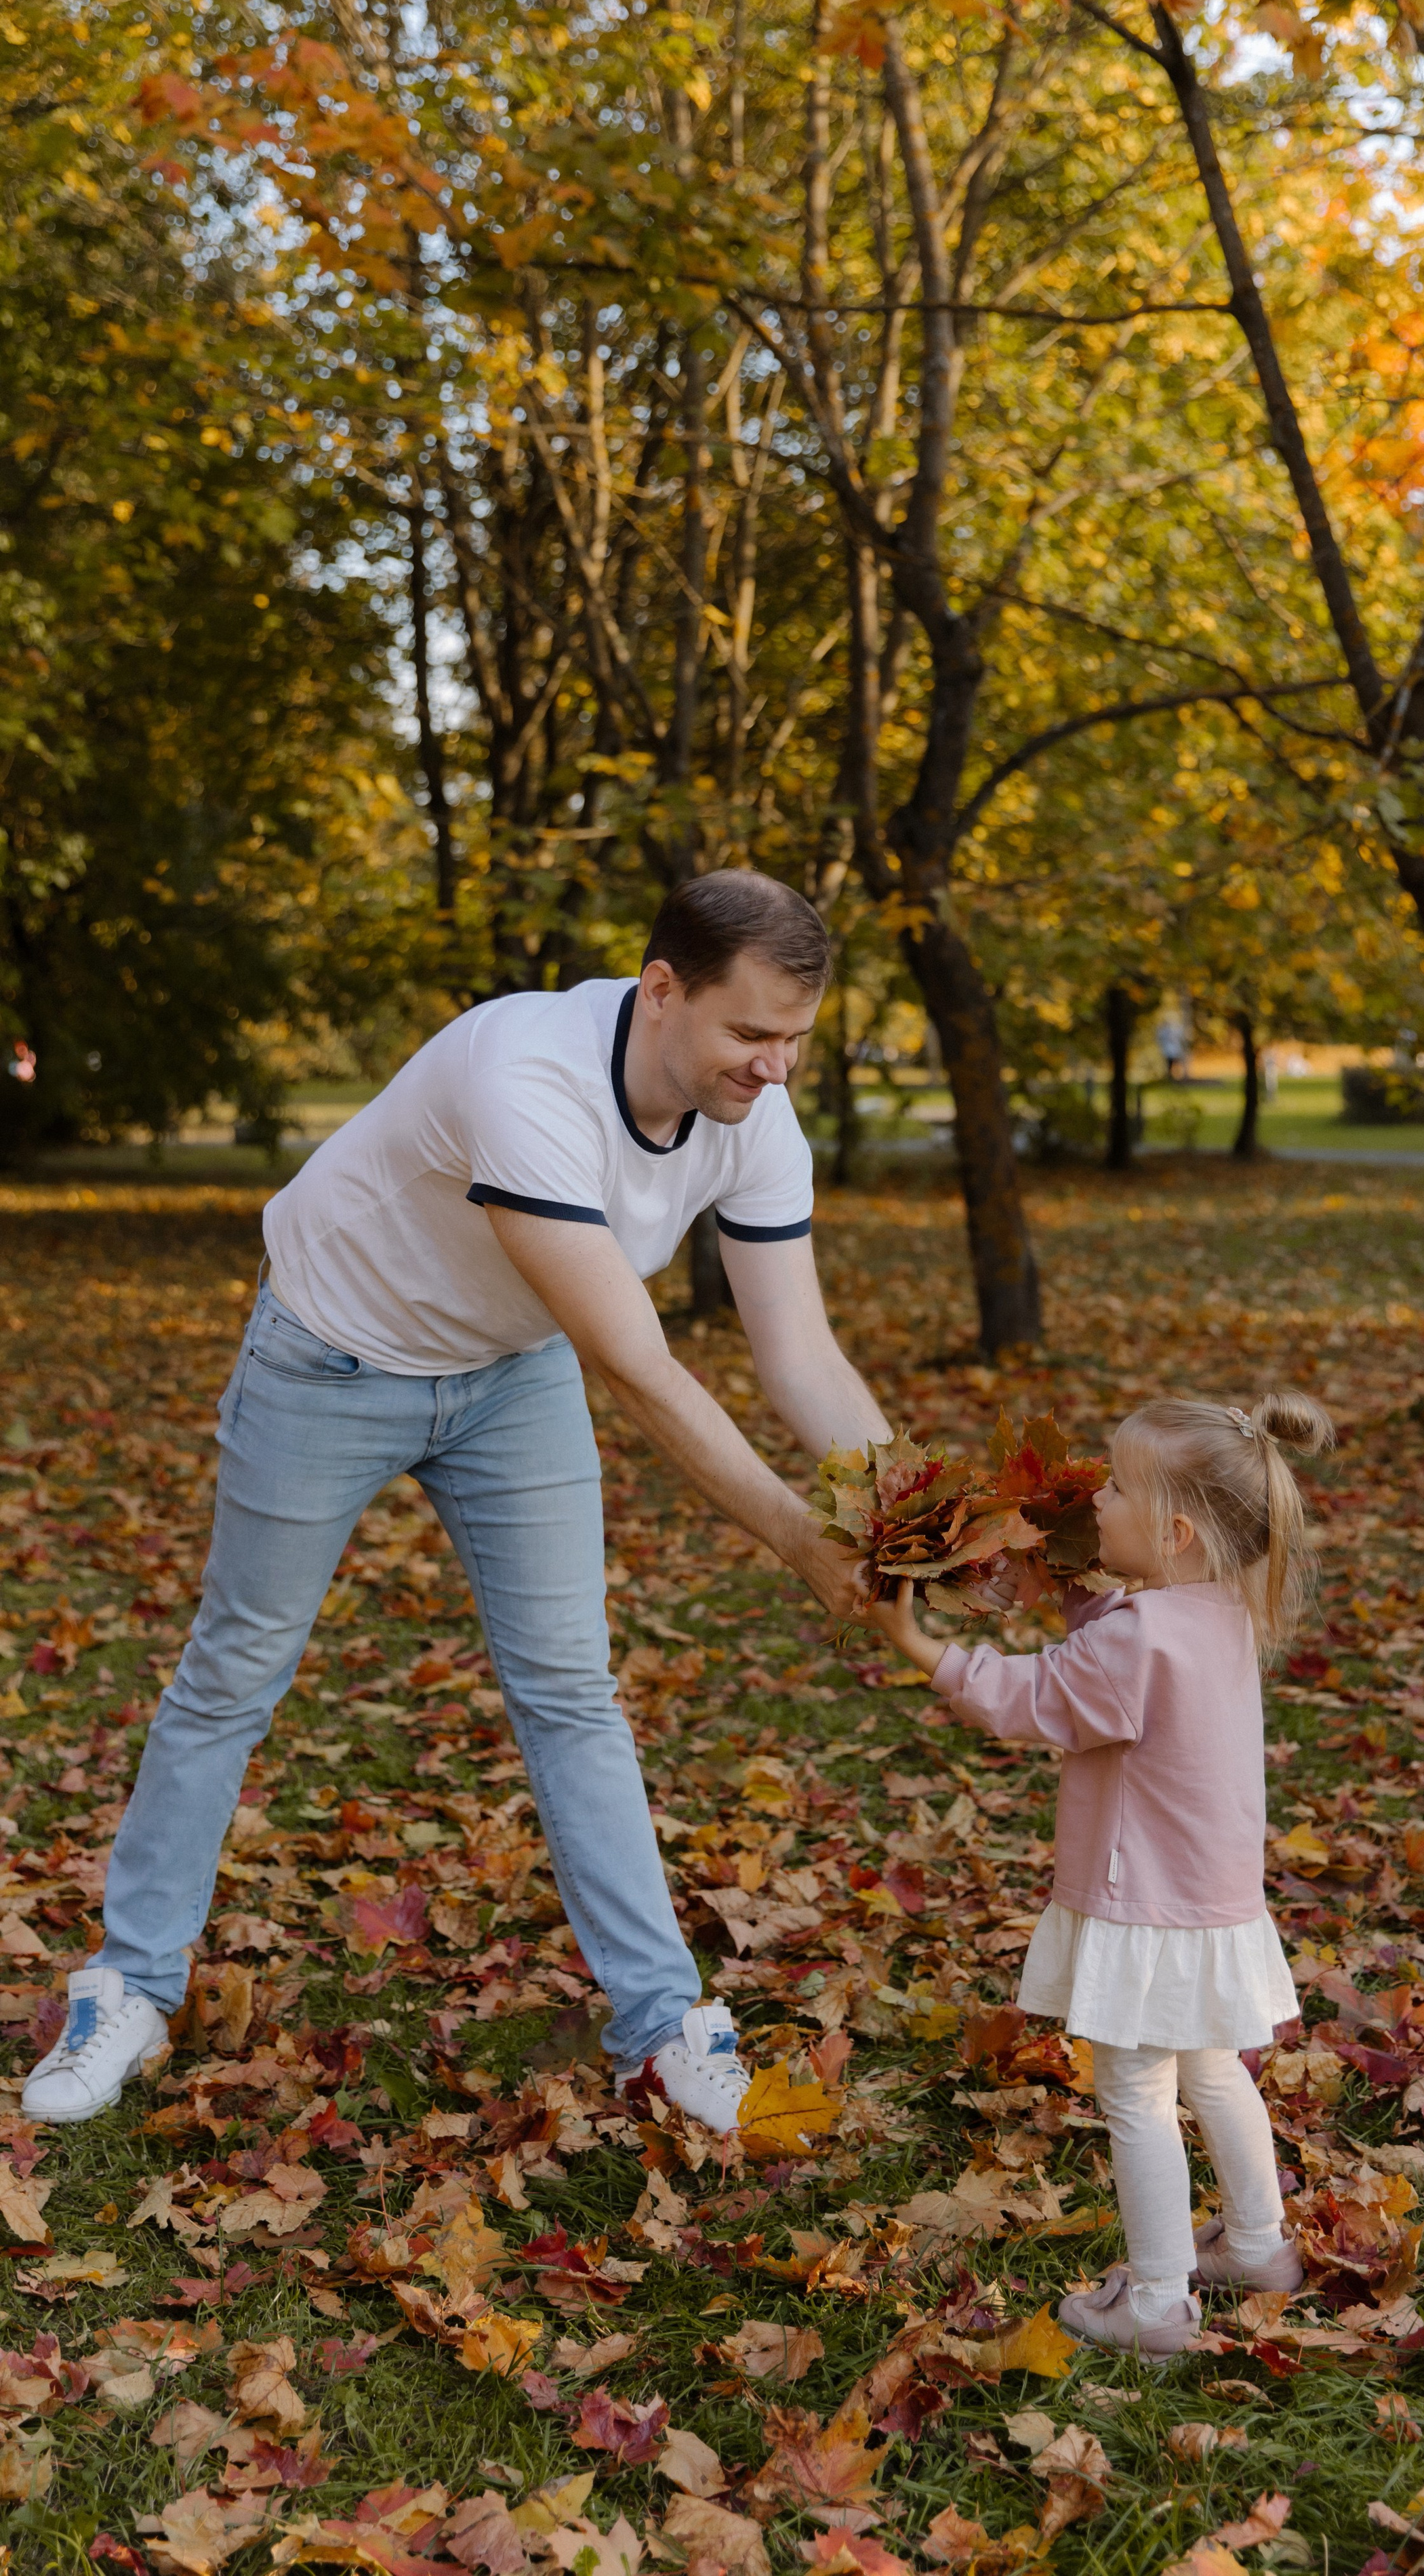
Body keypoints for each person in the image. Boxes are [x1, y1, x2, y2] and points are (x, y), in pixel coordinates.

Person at [28, 873, 885, 2131]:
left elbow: (800, 1354)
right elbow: (640, 1370)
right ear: (661, 990)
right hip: (330, 1357)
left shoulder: (752, 1114)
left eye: (796, 1038)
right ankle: (131, 1985)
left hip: (506, 1371)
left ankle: (660, 2028)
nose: (777, 1067)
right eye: (751, 1033)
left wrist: (907, 1515)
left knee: (572, 1688)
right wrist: (802, 1542)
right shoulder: (527, 1073)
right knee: (236, 1669)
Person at [871, 1389, 1330, 2359]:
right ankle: (1258, 2245)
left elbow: (1039, 1695)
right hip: (1210, 1898)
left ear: (1173, 1534)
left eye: (1116, 1488)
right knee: (1212, 2069)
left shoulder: (1139, 1639)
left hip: (1144, 1904)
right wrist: (1073, 1585)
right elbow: (1116, 1645)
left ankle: (1157, 2302)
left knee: (1136, 2091)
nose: (1098, 1501)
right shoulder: (1216, 1611)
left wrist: (923, 1650)